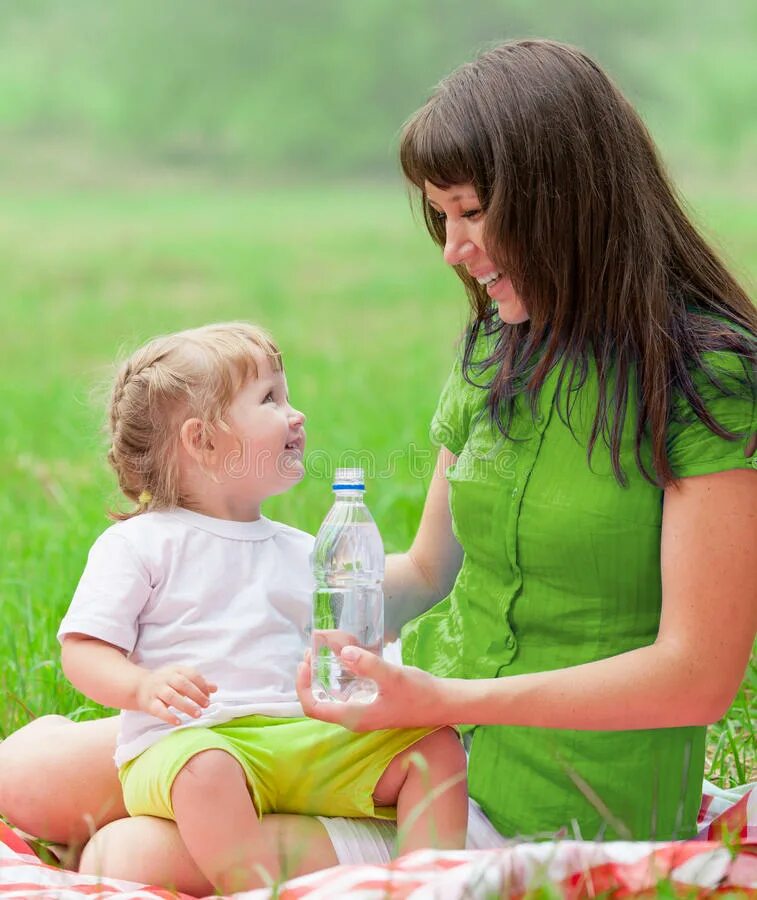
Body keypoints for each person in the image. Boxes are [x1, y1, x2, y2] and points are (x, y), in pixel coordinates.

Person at [1, 36, 755, 889]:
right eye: (441, 216)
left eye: (471, 213)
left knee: (128, 852)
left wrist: (441, 704)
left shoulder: (707, 381)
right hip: (406, 719)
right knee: (28, 775)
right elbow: (427, 570)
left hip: (533, 795)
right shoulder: (502, 346)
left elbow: (696, 677)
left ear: (562, 198)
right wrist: (220, 579)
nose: (451, 248)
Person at [48, 321, 468, 895]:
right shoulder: (140, 544)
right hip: (186, 747)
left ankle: (429, 885)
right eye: (270, 398)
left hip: (293, 736)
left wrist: (349, 665)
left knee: (435, 748)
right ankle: (255, 888)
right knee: (209, 772)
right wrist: (142, 689)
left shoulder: (302, 550)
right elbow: (84, 649)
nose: (296, 415)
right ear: (202, 440)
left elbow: (327, 647)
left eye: (287, 395)